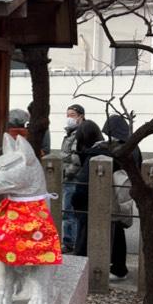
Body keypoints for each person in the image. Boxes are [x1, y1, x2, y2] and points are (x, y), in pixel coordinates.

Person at [72, 115, 140, 280]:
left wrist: (76, 201)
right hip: (121, 196)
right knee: (117, 233)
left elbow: (83, 183)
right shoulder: (134, 149)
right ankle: (118, 268)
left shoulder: (100, 151)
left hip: (95, 201)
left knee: (86, 237)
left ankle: (81, 273)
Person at [69, 120, 103, 257]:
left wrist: (74, 201)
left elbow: (81, 187)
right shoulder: (106, 150)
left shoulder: (93, 156)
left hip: (87, 205)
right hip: (101, 204)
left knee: (83, 242)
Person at [61, 103, 85, 253]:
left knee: (70, 212)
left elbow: (76, 158)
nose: (69, 118)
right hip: (69, 177)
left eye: (73, 115)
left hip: (73, 178)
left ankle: (71, 242)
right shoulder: (70, 133)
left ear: (80, 117)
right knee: (68, 211)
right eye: (68, 115)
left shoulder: (79, 133)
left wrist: (67, 173)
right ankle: (71, 241)